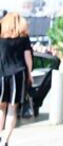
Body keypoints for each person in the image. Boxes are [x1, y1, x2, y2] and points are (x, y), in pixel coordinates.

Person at [0, 12, 32, 146]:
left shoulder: (1, 37)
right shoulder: (23, 38)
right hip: (18, 75)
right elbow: (28, 58)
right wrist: (29, 74)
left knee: (1, 108)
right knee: (12, 109)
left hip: (1, 75)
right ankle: (5, 140)